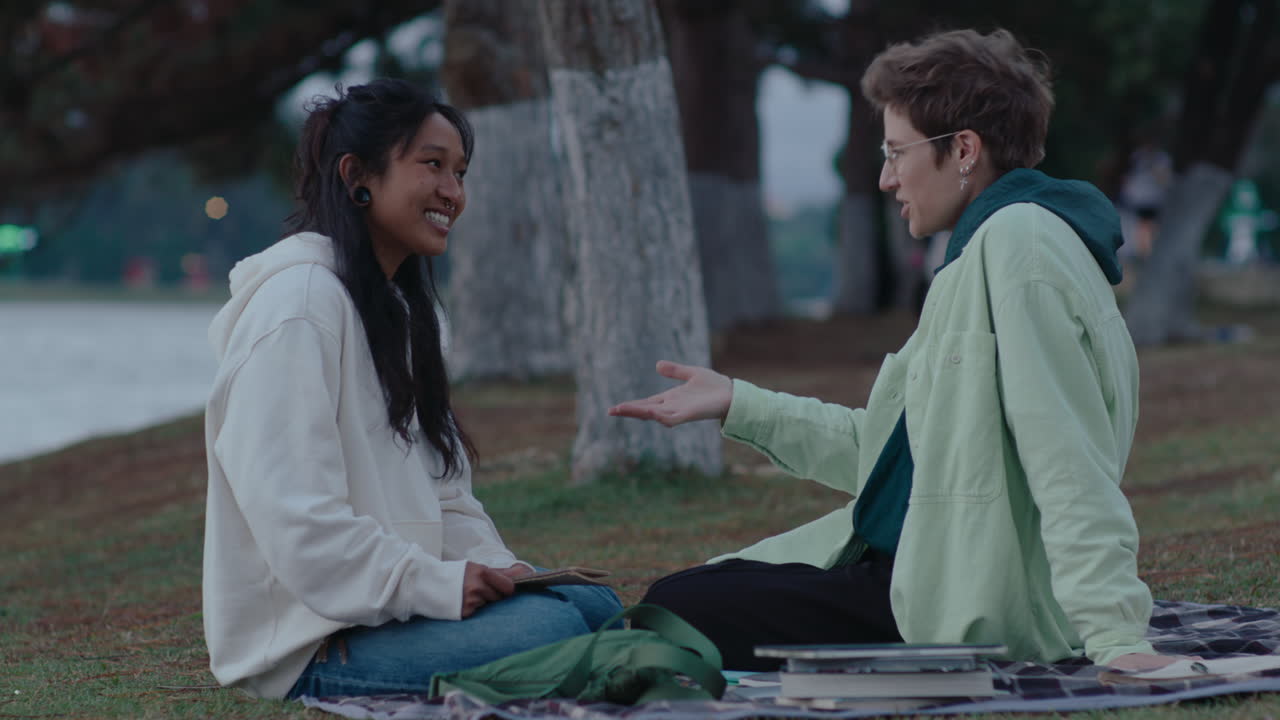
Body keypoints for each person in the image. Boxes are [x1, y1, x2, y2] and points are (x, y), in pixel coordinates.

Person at [611, 29, 1177, 673]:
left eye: (896, 152)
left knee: (677, 610)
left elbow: (1066, 456)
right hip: (925, 561)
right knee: (682, 599)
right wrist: (738, 403)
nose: (885, 177)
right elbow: (894, 457)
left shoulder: (1021, 244)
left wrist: (1117, 639)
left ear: (963, 149)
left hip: (962, 599)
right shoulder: (987, 249)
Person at [202, 79, 621, 700]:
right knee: (556, 627)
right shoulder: (298, 308)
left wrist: (497, 565)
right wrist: (436, 585)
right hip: (312, 643)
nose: (453, 192)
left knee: (592, 604)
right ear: (357, 176)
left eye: (460, 172)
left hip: (390, 609)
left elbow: (445, 497)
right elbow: (300, 526)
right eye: (432, 166)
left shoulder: (394, 310)